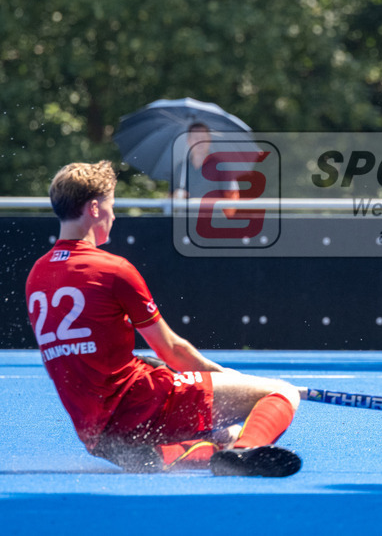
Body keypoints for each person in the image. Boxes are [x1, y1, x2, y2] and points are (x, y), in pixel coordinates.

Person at [25, 161, 301, 476]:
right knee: (280, 392)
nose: (114, 216)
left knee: (205, 441)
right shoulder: (113, 269)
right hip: (140, 407)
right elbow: (172, 349)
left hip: (96, 432)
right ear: (93, 208)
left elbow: (70, 358)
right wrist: (225, 376)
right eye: (111, 206)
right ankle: (242, 453)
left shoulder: (37, 275)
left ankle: (195, 448)